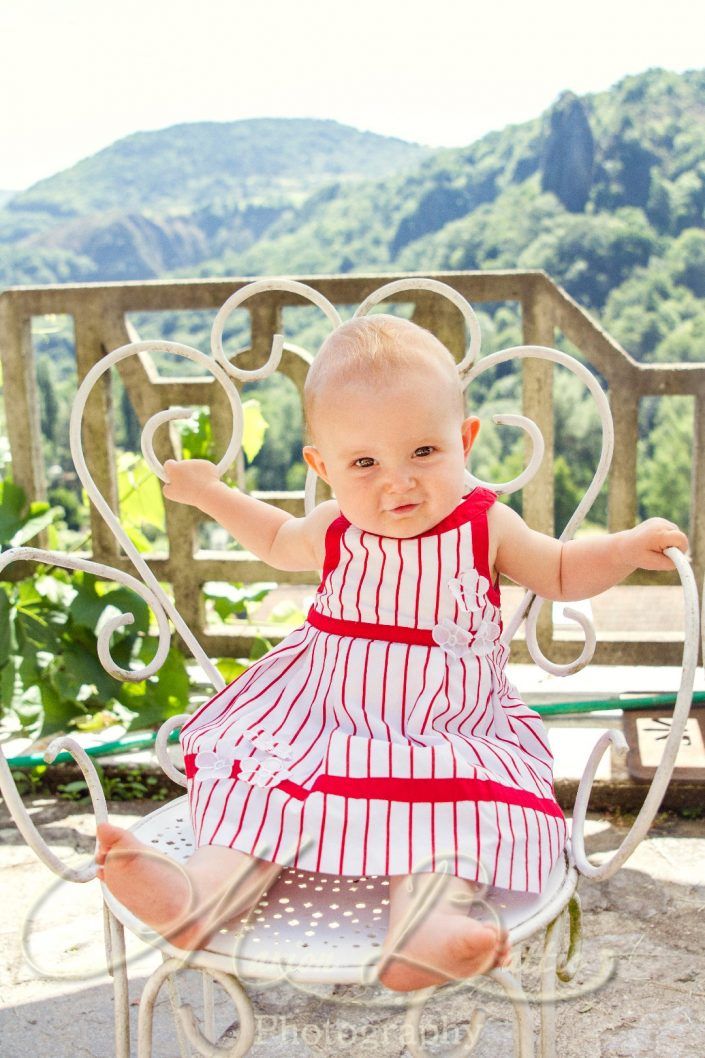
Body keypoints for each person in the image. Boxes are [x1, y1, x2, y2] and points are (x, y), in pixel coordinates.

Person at [96, 314, 688, 992]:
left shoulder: (483, 523)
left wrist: (622, 549)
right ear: (323, 468)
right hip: (321, 723)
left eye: (424, 453)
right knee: (259, 790)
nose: (397, 483)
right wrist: (207, 493)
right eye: (364, 463)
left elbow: (556, 570)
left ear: (462, 441)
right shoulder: (332, 527)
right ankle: (197, 896)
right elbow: (272, 536)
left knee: (453, 814)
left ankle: (426, 930)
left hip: (445, 732)